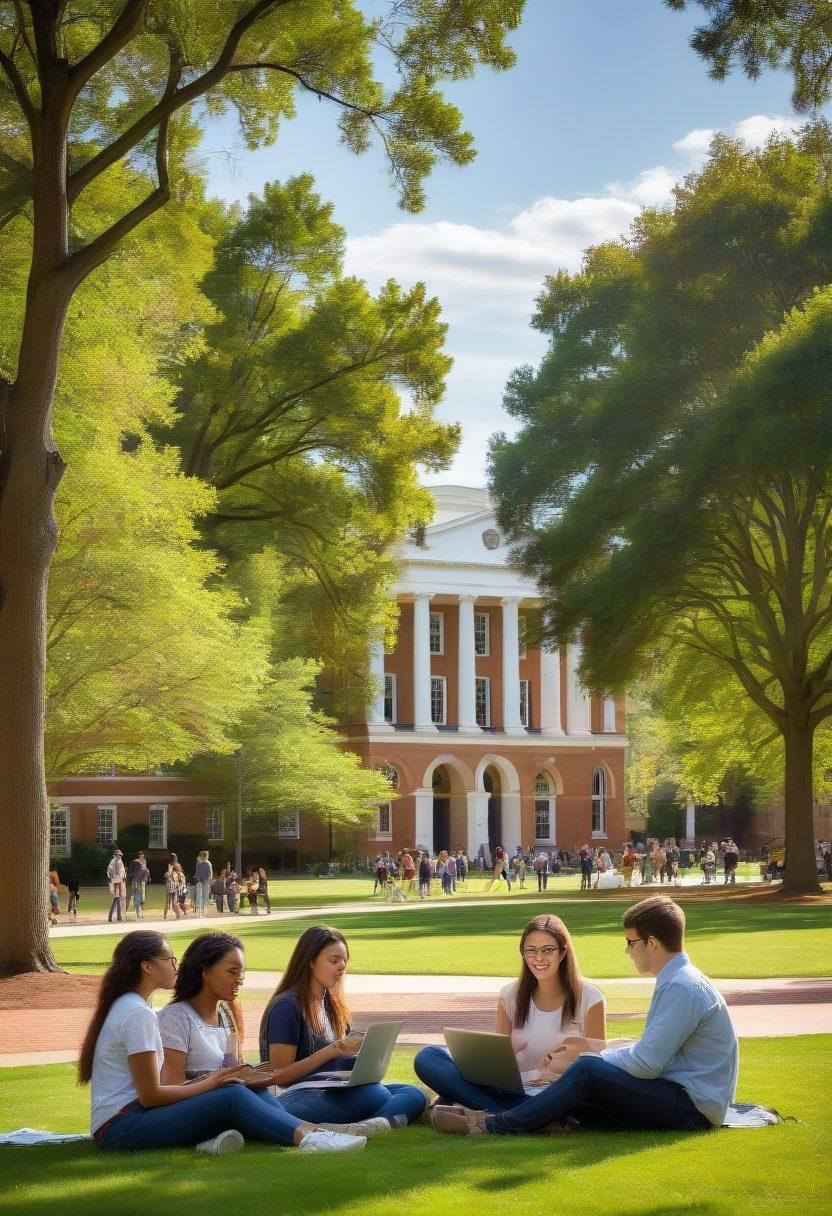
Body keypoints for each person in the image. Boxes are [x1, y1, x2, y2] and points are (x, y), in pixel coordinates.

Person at [429, 895, 738, 1137]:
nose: (628, 951)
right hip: (680, 1096)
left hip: (691, 1108)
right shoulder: (678, 981)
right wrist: (601, 1052)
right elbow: (652, 1057)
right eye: (529, 951)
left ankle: (496, 1124)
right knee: (585, 1096)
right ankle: (532, 1116)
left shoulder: (682, 987)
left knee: (589, 1071)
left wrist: (594, 1054)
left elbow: (647, 1064)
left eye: (631, 943)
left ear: (652, 943)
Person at [78, 930, 366, 1155]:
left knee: (248, 1091)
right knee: (232, 1095)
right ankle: (313, 1138)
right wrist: (215, 1081)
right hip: (121, 1127)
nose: (175, 966)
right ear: (147, 967)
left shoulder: (137, 1008)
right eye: (168, 960)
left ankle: (312, 1132)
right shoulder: (138, 1013)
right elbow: (150, 1096)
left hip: (133, 1118)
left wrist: (234, 1077)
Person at [415, 914, 606, 1114]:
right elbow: (499, 1058)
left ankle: (480, 1106)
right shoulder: (510, 995)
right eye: (530, 950)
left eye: (547, 950)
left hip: (556, 1092)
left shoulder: (590, 996)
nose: (538, 958)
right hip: (509, 1090)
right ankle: (507, 1112)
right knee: (428, 1057)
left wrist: (558, 1076)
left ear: (562, 952)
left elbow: (596, 1065)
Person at [260, 925, 427, 1134]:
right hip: (294, 1097)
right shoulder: (287, 1006)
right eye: (334, 960)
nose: (342, 967)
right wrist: (334, 1049)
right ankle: (383, 1119)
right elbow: (279, 1075)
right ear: (311, 961)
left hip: (332, 1089)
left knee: (414, 1094)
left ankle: (366, 1126)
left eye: (344, 961)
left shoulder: (331, 1005)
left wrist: (363, 1050)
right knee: (376, 1095)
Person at [127, 852, 149, 920]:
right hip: (135, 881)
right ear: (138, 855)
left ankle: (139, 913)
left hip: (142, 881)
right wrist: (130, 880)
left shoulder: (144, 861)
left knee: (141, 898)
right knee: (134, 896)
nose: (142, 855)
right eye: (140, 854)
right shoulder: (135, 862)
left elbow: (145, 871)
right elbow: (130, 871)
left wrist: (146, 878)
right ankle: (135, 913)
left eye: (143, 854)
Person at [107, 849, 126, 923]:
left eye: (119, 854)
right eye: (117, 854)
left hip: (119, 881)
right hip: (116, 882)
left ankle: (118, 917)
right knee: (116, 899)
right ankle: (111, 917)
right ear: (115, 855)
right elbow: (111, 872)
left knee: (118, 899)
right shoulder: (114, 861)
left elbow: (122, 872)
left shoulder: (119, 861)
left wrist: (123, 877)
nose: (118, 856)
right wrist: (115, 879)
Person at [194, 851, 213, 918]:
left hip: (205, 882)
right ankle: (199, 911)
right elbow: (197, 873)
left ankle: (201, 911)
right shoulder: (199, 863)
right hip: (200, 882)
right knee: (199, 896)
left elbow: (210, 874)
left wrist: (208, 882)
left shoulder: (207, 863)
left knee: (204, 897)